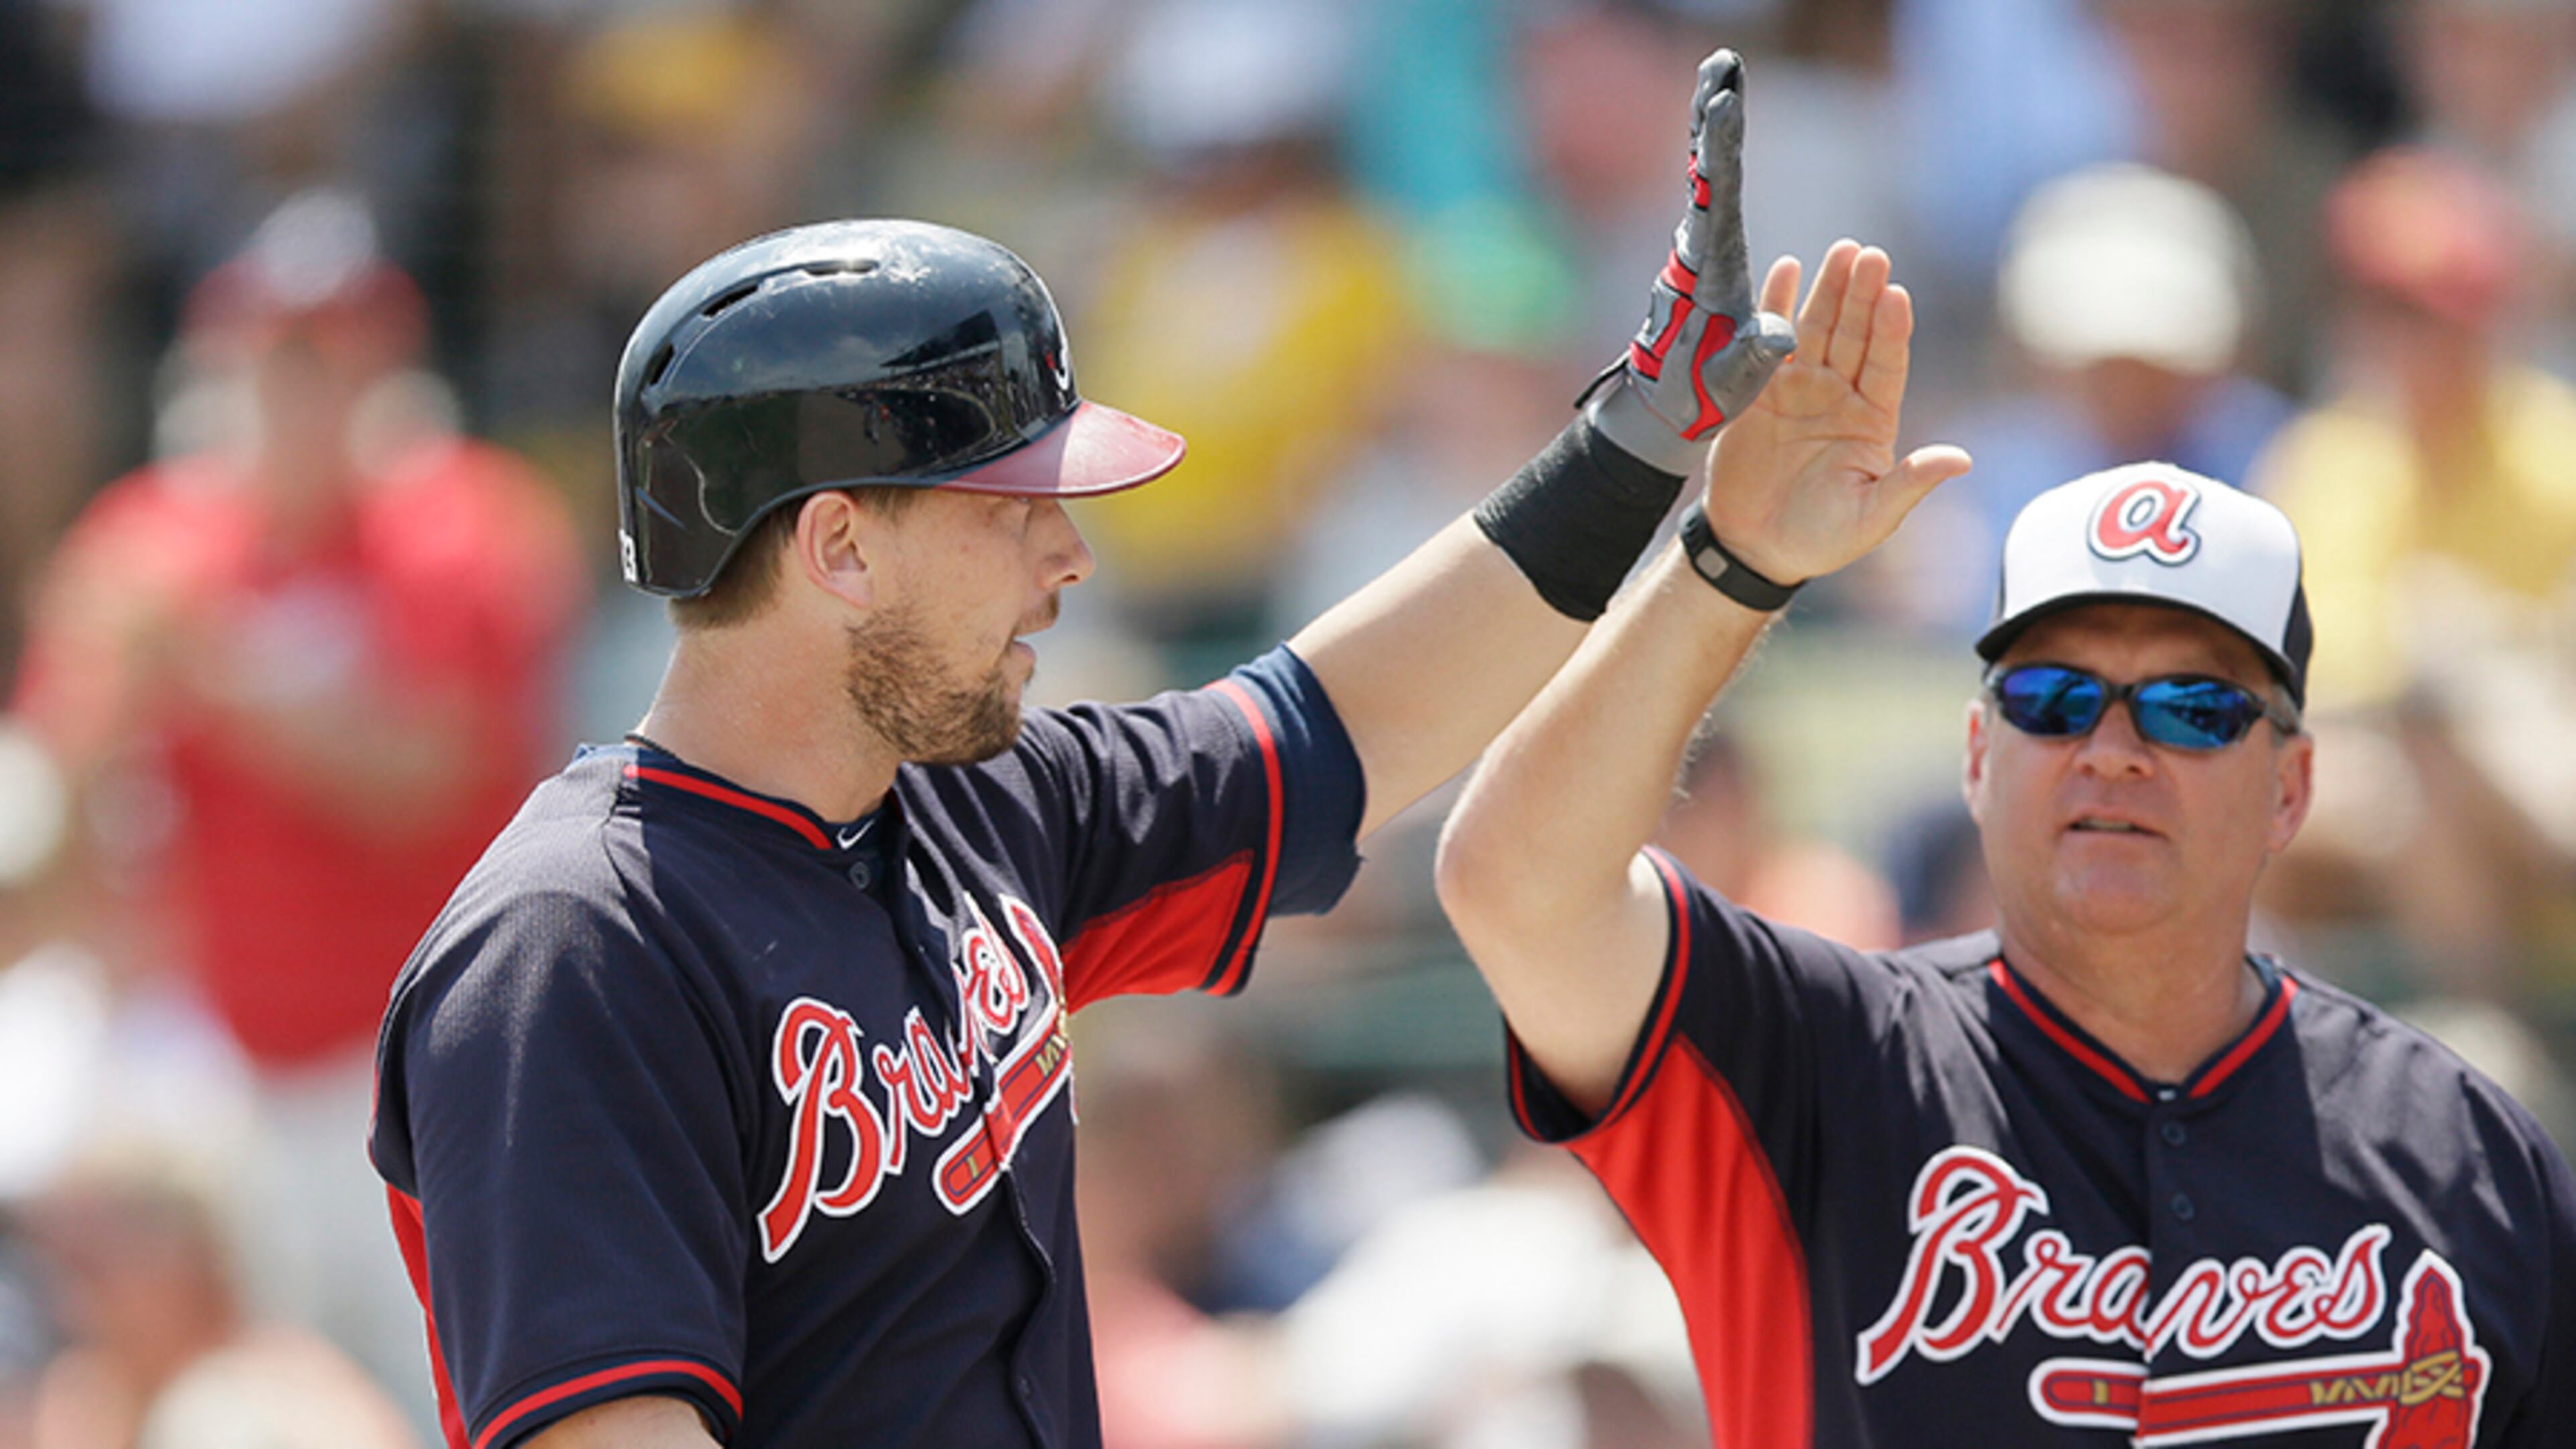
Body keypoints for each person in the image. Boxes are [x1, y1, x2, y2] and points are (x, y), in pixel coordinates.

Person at [368, 51, 1798, 1449]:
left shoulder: (978, 805)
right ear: (842, 546)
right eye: (1011, 506)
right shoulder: (573, 948)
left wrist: (1645, 444)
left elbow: (1352, 721)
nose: (1069, 552)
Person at [1434, 244, 2576, 1442]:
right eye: (2055, 701)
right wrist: (1730, 563)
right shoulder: (1823, 1065)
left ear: (2290, 789)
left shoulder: (2465, 1147)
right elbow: (1514, 886)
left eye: (2193, 708)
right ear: (1980, 757)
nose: (2115, 749)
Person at [10, 191, 582, 1438]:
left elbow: (427, 773)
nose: (296, 390)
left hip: (433, 1071)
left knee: (456, 1395)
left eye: (329, 358)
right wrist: (114, 695)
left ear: (385, 368)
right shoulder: (149, 535)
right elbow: (49, 803)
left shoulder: (463, 524)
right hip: (215, 1073)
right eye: (272, 357)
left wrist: (208, 663)